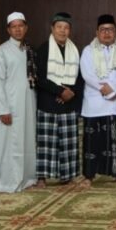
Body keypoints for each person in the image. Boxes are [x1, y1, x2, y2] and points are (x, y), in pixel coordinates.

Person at [35, 12, 85, 187]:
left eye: (66, 28)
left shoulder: (75, 50)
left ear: (70, 30)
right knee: (46, 143)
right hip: (48, 101)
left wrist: (70, 93)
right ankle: (42, 177)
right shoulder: (43, 49)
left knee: (68, 142)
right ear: (52, 28)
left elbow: (80, 77)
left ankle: (67, 176)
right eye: (59, 27)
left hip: (68, 102)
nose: (62, 31)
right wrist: (59, 91)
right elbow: (39, 78)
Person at [0, 12, 38, 193]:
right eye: (14, 26)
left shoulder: (28, 50)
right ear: (8, 30)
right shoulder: (1, 52)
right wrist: (3, 109)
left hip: (28, 103)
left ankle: (27, 179)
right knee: (11, 144)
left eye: (21, 26)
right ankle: (8, 181)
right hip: (10, 106)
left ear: (26, 28)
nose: (18, 30)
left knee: (27, 141)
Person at [81, 14, 116, 183]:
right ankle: (89, 176)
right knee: (92, 142)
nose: (107, 33)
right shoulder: (88, 51)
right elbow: (87, 74)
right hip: (95, 102)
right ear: (97, 32)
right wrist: (104, 88)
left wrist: (114, 89)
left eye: (110, 30)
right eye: (103, 30)